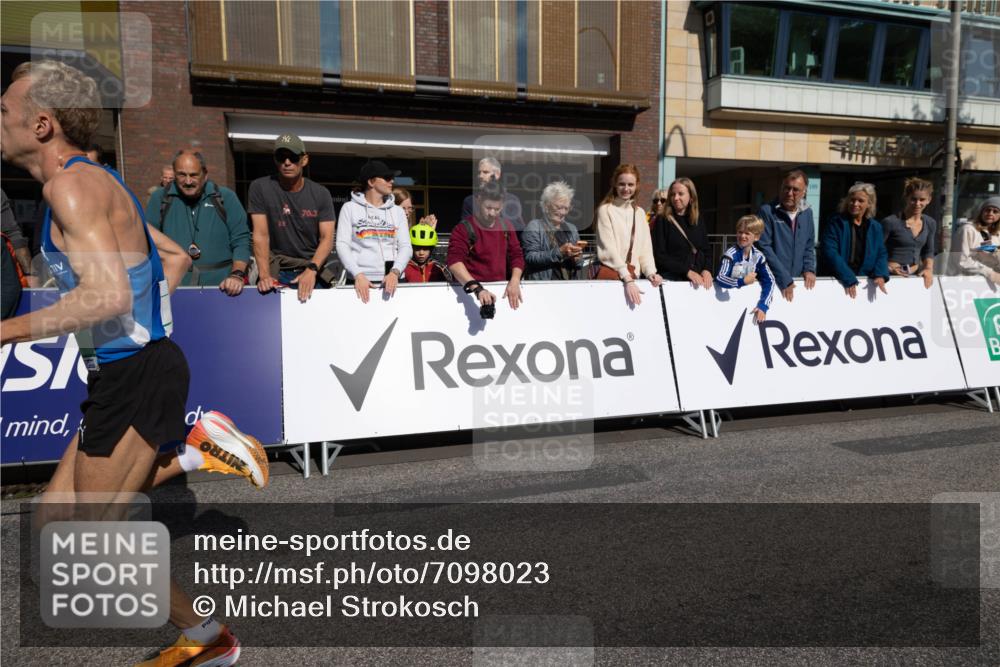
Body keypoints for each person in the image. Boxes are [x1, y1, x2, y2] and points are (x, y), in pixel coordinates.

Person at [0, 60, 267, 667]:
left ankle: (207, 638)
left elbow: (108, 296)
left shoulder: (68, 187)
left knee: (91, 539)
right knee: (49, 525)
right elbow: (167, 256)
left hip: (137, 371)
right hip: (131, 368)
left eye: (3, 112)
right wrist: (146, 323)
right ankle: (199, 448)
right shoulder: (95, 181)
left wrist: (5, 332)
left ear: (41, 125)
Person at [146, 149, 251, 295]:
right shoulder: (160, 198)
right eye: (182, 175)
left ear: (205, 174)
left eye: (193, 175)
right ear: (174, 174)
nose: (188, 181)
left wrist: (237, 274)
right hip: (174, 287)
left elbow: (241, 240)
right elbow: (148, 243)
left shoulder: (225, 197)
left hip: (222, 288)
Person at [248, 133, 336, 302]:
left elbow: (327, 238)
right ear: (275, 160)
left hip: (312, 268)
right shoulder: (259, 187)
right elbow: (260, 235)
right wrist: (264, 275)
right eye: (281, 157)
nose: (287, 163)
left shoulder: (320, 193)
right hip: (275, 270)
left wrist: (311, 270)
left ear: (304, 160)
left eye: (293, 157)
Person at [336, 160, 412, 303]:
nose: (392, 181)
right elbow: (342, 244)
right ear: (371, 182)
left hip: (393, 280)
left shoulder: (397, 211)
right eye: (386, 178)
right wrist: (358, 274)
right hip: (360, 282)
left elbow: (406, 247)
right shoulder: (349, 208)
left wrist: (395, 272)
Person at [447, 179, 525, 311]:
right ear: (478, 201)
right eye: (488, 208)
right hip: (471, 294)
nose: (492, 213)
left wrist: (515, 280)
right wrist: (477, 289)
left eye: (497, 209)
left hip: (500, 293)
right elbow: (454, 263)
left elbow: (517, 255)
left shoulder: (507, 226)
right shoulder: (463, 228)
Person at [594, 164, 663, 306]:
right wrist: (627, 277)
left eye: (630, 184)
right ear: (614, 184)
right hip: (613, 279)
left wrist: (650, 272)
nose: (626, 189)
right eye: (622, 184)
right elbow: (608, 249)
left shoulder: (639, 213)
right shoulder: (605, 210)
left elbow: (645, 249)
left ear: (636, 185)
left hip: (634, 278)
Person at [820, 182, 889, 299]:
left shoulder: (875, 227)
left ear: (869, 204)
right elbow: (830, 252)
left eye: (860, 201)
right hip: (839, 281)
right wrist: (848, 277)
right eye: (852, 200)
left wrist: (880, 274)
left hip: (864, 282)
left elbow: (881, 253)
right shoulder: (836, 222)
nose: (855, 204)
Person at [758, 169, 817, 302]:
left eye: (795, 190)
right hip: (771, 282)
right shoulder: (767, 211)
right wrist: (784, 277)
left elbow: (809, 245)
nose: (789, 193)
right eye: (786, 188)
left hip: (796, 282)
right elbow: (764, 247)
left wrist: (809, 269)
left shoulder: (807, 212)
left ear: (804, 192)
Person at [651, 177, 713, 288]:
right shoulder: (662, 219)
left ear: (691, 197)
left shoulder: (698, 219)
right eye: (672, 194)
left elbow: (706, 250)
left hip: (697, 282)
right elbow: (660, 256)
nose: (676, 198)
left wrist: (707, 269)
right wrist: (687, 271)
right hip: (671, 282)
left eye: (680, 194)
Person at [715, 215, 776, 323]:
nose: (742, 236)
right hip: (726, 310)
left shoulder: (758, 257)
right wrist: (742, 281)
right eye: (740, 232)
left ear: (756, 237)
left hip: (748, 310)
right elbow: (720, 278)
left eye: (747, 233)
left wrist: (763, 306)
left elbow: (770, 281)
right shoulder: (730, 254)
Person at [880, 177, 937, 289]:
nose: (917, 203)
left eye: (922, 199)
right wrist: (888, 268)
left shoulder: (930, 223)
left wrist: (928, 268)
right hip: (889, 277)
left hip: (915, 276)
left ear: (929, 200)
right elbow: (874, 251)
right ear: (906, 197)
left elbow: (928, 251)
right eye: (913, 199)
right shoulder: (890, 222)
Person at [522, 181, 585, 280]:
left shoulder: (571, 229)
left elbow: (580, 264)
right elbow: (530, 258)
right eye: (559, 207)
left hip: (570, 287)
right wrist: (559, 252)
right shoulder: (534, 226)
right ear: (547, 206)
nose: (563, 212)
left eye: (566, 208)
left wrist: (577, 258)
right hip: (544, 288)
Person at [460, 157, 524, 229]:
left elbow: (518, 228)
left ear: (497, 175)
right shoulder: (469, 201)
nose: (480, 176)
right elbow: (465, 228)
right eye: (479, 172)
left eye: (485, 172)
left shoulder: (512, 199)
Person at [953, 197, 1000, 283]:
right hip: (965, 282)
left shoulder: (997, 233)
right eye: (987, 210)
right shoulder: (967, 229)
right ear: (981, 212)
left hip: (990, 283)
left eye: (995, 211)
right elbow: (961, 261)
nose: (990, 213)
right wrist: (989, 273)